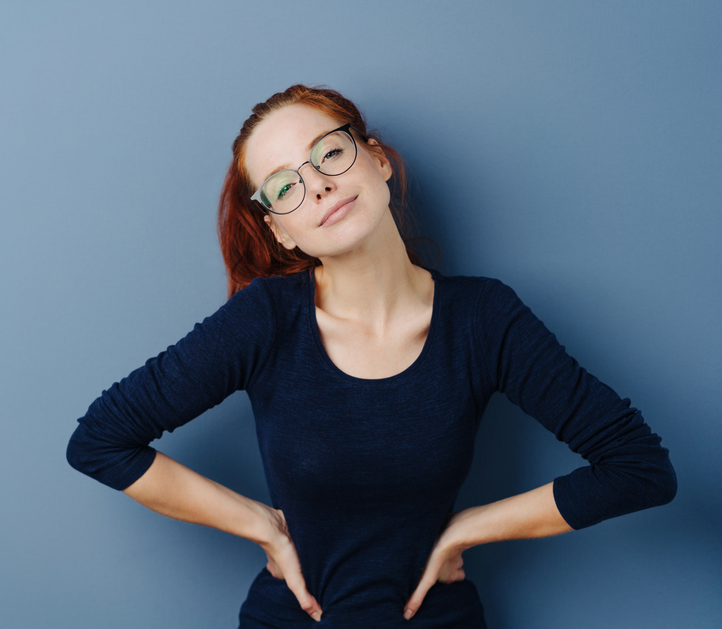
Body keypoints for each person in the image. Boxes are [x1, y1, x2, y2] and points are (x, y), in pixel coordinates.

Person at [66, 85, 677, 628]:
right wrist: (258, 523)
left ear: (377, 159)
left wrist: (469, 527)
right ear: (282, 229)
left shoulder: (483, 319)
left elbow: (639, 468)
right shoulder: (265, 320)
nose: (319, 185)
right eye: (284, 186)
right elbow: (100, 440)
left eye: (329, 153)